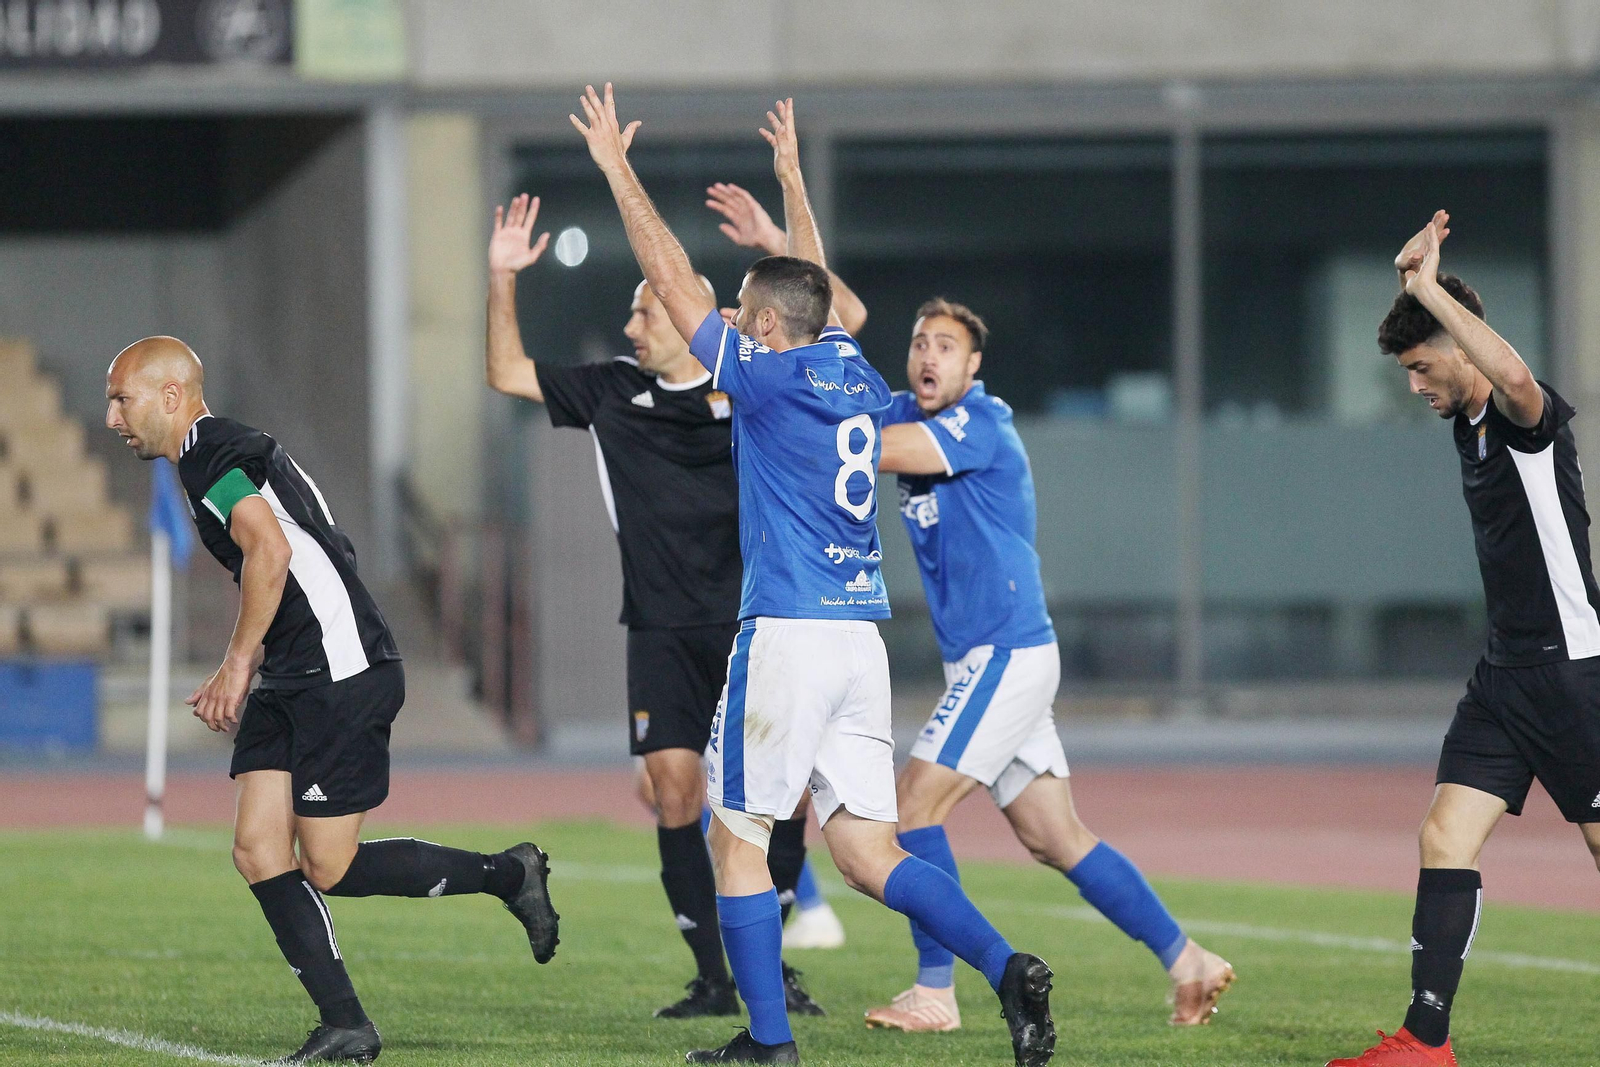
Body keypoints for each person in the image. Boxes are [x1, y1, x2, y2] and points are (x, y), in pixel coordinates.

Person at [571, 82, 1055, 1066]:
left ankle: (767, 1039)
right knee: (869, 852)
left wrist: (617, 170)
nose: (736, 326)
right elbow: (816, 286)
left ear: (769, 332)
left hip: (786, 633)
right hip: (859, 644)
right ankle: (1006, 968)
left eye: (749, 316)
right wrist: (791, 178)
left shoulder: (765, 372)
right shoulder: (850, 368)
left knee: (736, 838)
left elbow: (674, 283)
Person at [104, 337, 558, 1064]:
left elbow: (272, 553)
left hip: (337, 669)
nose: (110, 417)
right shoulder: (217, 453)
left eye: (121, 398)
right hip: (298, 670)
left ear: (169, 394)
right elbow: (310, 541)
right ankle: (346, 1022)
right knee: (257, 849)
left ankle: (509, 872)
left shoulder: (208, 451)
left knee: (329, 866)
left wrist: (235, 662)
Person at [485, 192, 845, 1017]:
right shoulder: (612, 391)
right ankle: (713, 977)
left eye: (643, 309)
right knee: (676, 794)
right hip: (658, 627)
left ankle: (771, 967)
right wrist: (500, 278)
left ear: (694, 318)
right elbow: (506, 372)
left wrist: (784, 212)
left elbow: (818, 320)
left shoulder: (749, 390)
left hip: (754, 625)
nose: (631, 327)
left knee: (783, 798)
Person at [864, 298, 1235, 1034]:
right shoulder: (903, 409)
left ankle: (935, 989)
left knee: (912, 809)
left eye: (947, 346)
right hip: (992, 657)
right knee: (1055, 838)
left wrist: (807, 428)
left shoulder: (982, 420)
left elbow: (879, 449)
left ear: (974, 366)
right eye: (919, 344)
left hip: (1007, 651)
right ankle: (1187, 957)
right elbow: (842, 362)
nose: (929, 356)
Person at [1324, 214, 1600, 1067]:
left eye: (1418, 366)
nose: (1413, 385)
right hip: (1504, 675)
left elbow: (1511, 370)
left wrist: (1427, 288)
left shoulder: (1525, 418)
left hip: (1573, 673)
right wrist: (1418, 299)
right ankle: (1424, 1040)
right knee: (1444, 838)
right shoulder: (1465, 426)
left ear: (1456, 345)